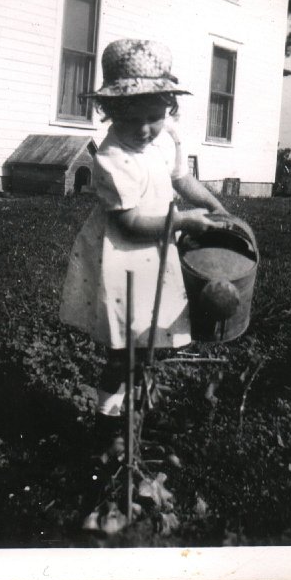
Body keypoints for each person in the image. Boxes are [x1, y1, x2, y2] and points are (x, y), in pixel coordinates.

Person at [59, 39, 229, 472]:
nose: (144, 130)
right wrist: (186, 222)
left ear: (168, 109)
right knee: (124, 351)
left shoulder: (165, 138)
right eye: (131, 120)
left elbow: (182, 180)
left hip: (158, 255)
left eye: (154, 118)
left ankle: (136, 416)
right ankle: (106, 427)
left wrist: (215, 206)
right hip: (124, 261)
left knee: (150, 342)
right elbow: (129, 223)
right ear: (109, 112)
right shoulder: (113, 159)